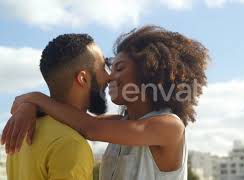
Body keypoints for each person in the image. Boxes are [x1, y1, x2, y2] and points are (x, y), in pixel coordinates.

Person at [2, 25, 210, 180]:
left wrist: (36, 98)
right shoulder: (118, 123)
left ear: (149, 71)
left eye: (119, 68)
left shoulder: (170, 126)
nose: (110, 77)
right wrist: (29, 107)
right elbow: (75, 119)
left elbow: (89, 127)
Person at [4, 33, 112, 180]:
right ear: (83, 78)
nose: (109, 77)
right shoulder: (72, 145)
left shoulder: (24, 131)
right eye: (102, 67)